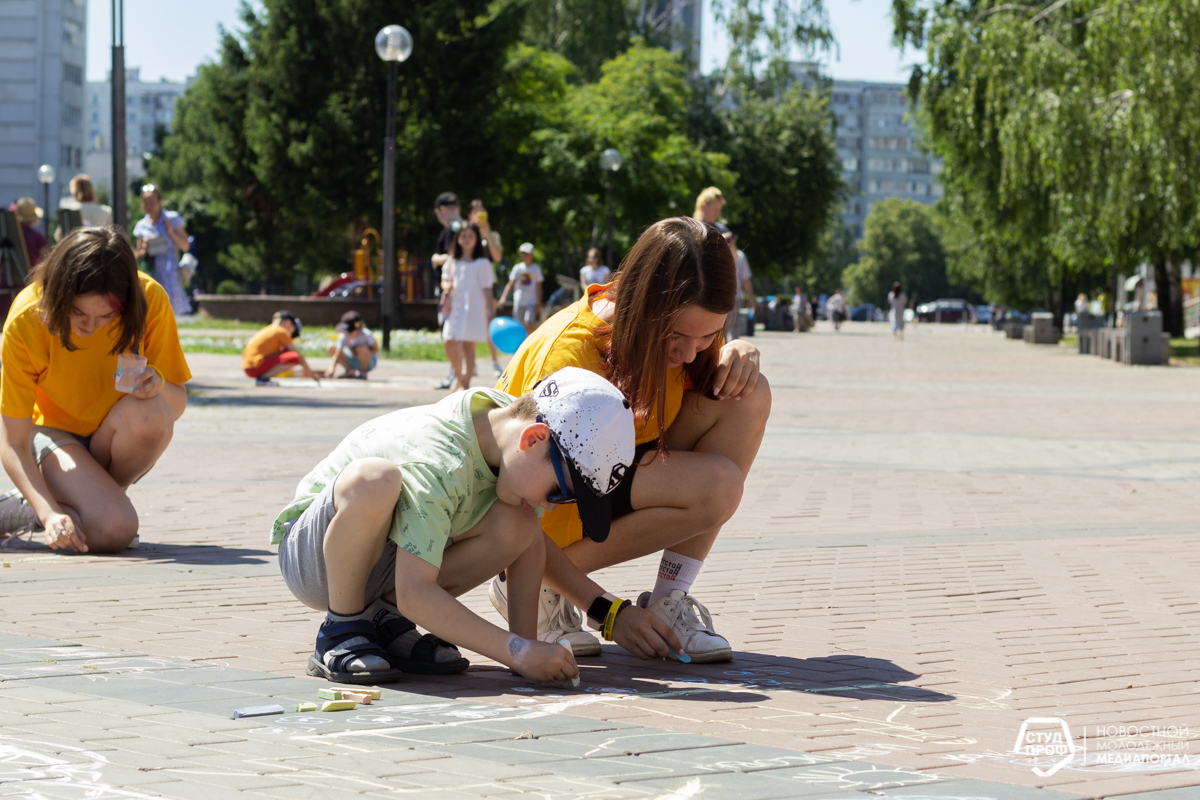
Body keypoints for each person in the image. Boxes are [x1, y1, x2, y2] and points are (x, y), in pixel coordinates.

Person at [495, 216, 770, 664]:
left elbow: (703, 353)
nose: (689, 354)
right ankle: (531, 586)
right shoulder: (570, 358)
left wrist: (738, 351)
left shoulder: (685, 331)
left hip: (604, 475)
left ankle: (670, 600)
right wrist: (606, 611)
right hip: (523, 519)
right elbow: (514, 505)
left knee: (747, 393)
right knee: (715, 483)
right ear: (643, 304)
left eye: (708, 336)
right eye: (678, 337)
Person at [273, 366, 634, 684]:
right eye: (559, 492)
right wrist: (515, 651)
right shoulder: (440, 458)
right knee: (375, 479)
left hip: (382, 564)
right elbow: (416, 592)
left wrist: (529, 650)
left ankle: (384, 618)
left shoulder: (507, 430)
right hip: (315, 561)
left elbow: (529, 546)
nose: (551, 506)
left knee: (520, 523)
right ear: (534, 438)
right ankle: (343, 626)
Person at [0, 227, 191, 552]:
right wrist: (49, 515)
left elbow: (174, 408)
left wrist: (158, 384)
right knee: (116, 530)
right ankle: (24, 510)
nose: (90, 328)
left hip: (110, 437)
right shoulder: (27, 317)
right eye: (77, 313)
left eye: (106, 316)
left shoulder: (149, 299)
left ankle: (92, 503)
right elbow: (13, 442)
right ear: (57, 294)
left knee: (153, 414)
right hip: (51, 436)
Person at [442, 223, 495, 390]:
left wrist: (491, 310)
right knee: (448, 340)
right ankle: (459, 376)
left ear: (476, 239)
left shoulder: (482, 263)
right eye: (463, 236)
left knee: (469, 347)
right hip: (455, 307)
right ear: (457, 239)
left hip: (474, 308)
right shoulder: (452, 261)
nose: (467, 239)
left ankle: (466, 384)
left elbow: (487, 288)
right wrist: (446, 286)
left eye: (470, 236)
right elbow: (444, 279)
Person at [133, 185, 192, 316]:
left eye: (152, 203)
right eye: (145, 203)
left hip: (170, 274)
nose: (149, 206)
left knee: (170, 314)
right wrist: (144, 250)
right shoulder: (141, 226)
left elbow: (185, 245)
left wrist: (170, 232)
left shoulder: (171, 218)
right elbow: (139, 255)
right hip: (152, 274)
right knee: (152, 312)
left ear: (160, 202)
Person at [466, 199, 504, 376]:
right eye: (476, 212)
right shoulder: (466, 235)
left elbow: (497, 257)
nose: (479, 215)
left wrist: (487, 234)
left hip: (489, 282)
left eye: (482, 211)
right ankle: (471, 364)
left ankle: (494, 361)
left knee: (490, 320)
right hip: (470, 283)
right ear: (469, 215)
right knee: (470, 321)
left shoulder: (493, 235)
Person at [432, 193, 463, 390]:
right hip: (453, 290)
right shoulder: (458, 228)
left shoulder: (454, 228)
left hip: (451, 291)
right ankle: (457, 375)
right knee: (453, 336)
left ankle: (456, 375)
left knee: (451, 337)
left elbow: (456, 257)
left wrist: (437, 258)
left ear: (441, 210)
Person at [242, 311, 319, 386]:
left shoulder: (268, 329)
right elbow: (298, 356)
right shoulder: (281, 331)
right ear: (288, 323)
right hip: (255, 366)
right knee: (294, 357)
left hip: (248, 367)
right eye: (292, 331)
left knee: (285, 351)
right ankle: (264, 378)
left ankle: (263, 378)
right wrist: (311, 374)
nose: (290, 336)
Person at [499, 243, 543, 333]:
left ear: (532, 255)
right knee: (518, 324)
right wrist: (503, 297)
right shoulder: (517, 268)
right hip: (519, 300)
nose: (524, 256)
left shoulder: (536, 269)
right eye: (523, 254)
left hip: (531, 301)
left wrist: (539, 303)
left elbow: (539, 288)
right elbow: (510, 284)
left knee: (529, 322)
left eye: (527, 254)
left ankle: (530, 343)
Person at [721, 230, 754, 341]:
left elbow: (746, 279)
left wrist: (751, 298)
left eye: (730, 239)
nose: (729, 241)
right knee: (720, 330)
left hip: (735, 297)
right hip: (719, 297)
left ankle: (733, 355)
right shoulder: (716, 253)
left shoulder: (740, 256)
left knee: (734, 329)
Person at [327, 311, 378, 379]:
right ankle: (349, 371)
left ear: (358, 329)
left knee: (361, 348)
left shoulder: (366, 335)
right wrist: (332, 368)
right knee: (331, 347)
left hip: (368, 362)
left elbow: (376, 349)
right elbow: (337, 353)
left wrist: (358, 352)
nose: (348, 334)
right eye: (346, 331)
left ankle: (363, 372)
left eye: (350, 331)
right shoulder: (344, 336)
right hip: (352, 360)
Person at [10, 198, 48, 267]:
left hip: (7, 276)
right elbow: (47, 260)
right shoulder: (37, 236)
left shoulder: (8, 235)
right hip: (29, 276)